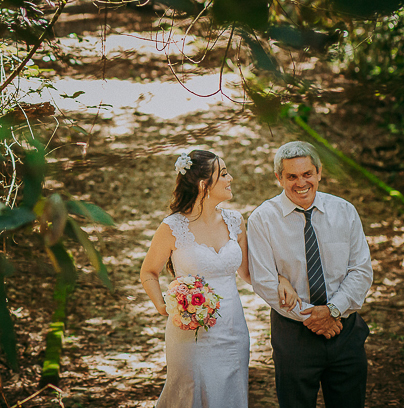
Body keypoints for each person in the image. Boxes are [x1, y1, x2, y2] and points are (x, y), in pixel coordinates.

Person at [140, 149, 297, 408]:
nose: (230, 178)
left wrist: (280, 279)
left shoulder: (235, 221)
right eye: (223, 174)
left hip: (232, 329)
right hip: (189, 331)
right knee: (191, 392)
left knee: (230, 393)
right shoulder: (172, 227)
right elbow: (149, 271)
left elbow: (249, 272)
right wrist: (163, 305)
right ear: (204, 185)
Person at [247, 141, 374, 408]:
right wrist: (312, 317)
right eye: (291, 176)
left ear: (319, 172)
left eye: (307, 174)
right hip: (293, 336)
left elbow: (361, 270)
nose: (301, 183)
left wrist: (332, 311)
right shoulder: (262, 219)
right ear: (279, 178)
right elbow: (263, 280)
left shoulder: (344, 211)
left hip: (344, 330)